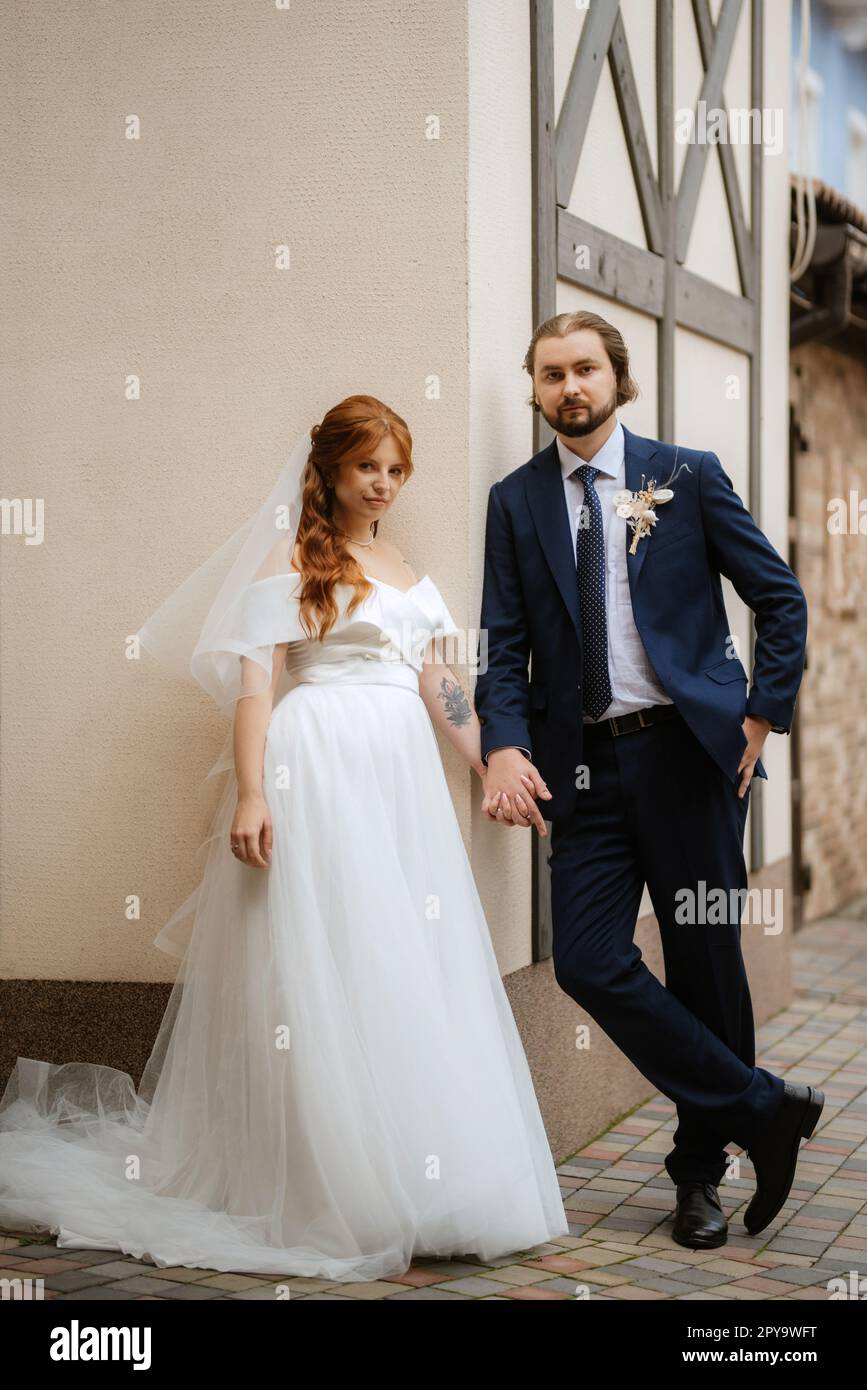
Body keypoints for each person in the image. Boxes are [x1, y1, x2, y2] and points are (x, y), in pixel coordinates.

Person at [0, 395, 568, 1281]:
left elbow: (438, 685)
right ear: (332, 471)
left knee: (397, 954)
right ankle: (326, 1186)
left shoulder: (406, 569)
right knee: (318, 960)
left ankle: (428, 1183)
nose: (381, 484)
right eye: (366, 467)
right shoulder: (291, 558)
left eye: (394, 469)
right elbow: (254, 690)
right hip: (316, 770)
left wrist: (488, 762)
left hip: (399, 784)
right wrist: (254, 794)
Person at [474, 310, 824, 1250]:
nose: (568, 388)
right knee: (588, 960)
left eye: (584, 369)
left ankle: (698, 1179)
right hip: (577, 772)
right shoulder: (515, 503)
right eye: (550, 375)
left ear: (617, 378)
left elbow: (778, 598)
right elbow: (501, 645)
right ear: (536, 389)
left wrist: (758, 713)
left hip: (687, 758)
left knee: (705, 964)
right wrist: (501, 743)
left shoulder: (686, 475)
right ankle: (761, 1106)